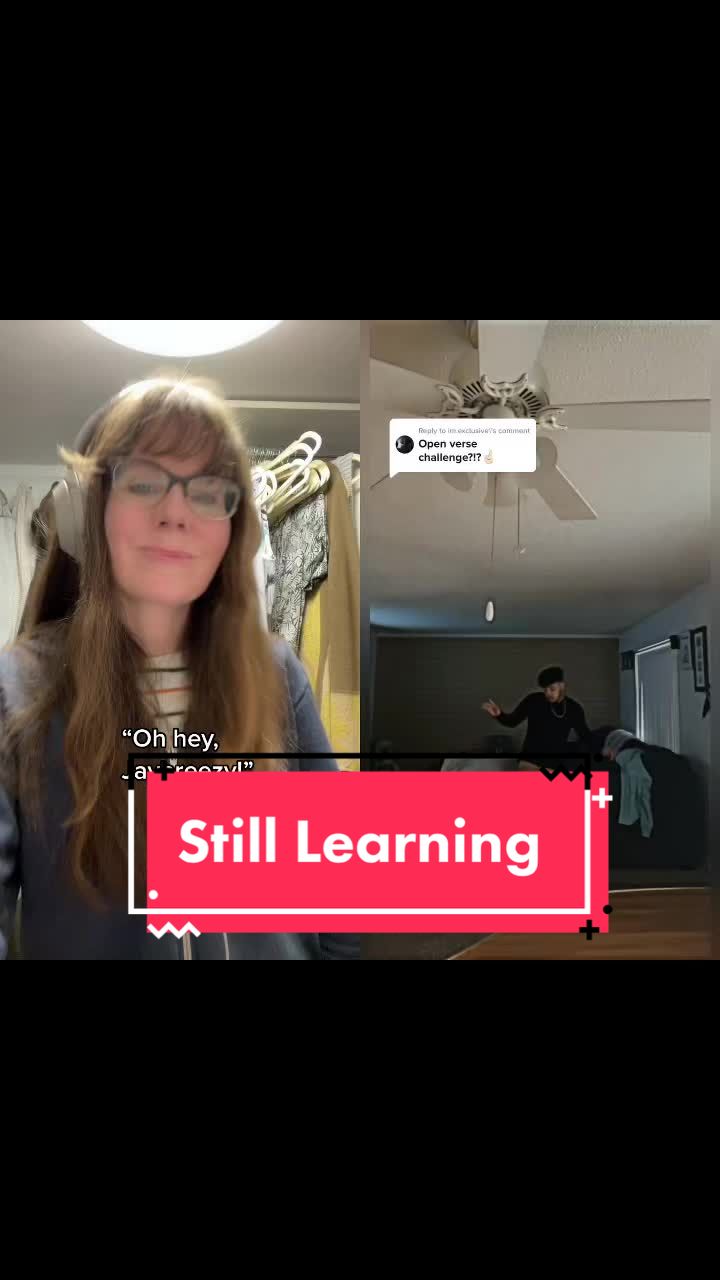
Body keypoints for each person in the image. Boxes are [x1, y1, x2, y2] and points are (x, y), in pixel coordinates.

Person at [0, 377, 359, 961]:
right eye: (142, 482)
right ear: (83, 514)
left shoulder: (278, 674)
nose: (175, 512)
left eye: (209, 489)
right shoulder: (15, 688)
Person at [482, 665, 592, 770]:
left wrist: (603, 746)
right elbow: (512, 721)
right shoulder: (533, 700)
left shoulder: (574, 709)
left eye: (552, 689)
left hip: (554, 763)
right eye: (545, 689)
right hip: (530, 761)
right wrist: (499, 714)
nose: (548, 693)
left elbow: (585, 735)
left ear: (562, 686)